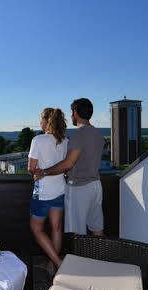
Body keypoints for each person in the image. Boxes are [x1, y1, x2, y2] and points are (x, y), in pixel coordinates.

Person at [35, 98, 105, 235]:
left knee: (76, 233)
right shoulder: (98, 134)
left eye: (72, 112)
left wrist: (44, 172)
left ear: (75, 113)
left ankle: (79, 251)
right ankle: (103, 250)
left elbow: (68, 163)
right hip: (96, 185)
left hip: (79, 188)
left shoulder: (78, 134)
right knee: (97, 229)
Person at [28, 107, 68, 269]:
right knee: (56, 229)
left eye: (41, 119)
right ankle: (52, 265)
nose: (40, 123)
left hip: (43, 192)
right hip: (60, 189)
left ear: (46, 121)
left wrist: (39, 171)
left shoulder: (38, 140)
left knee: (36, 229)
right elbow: (65, 166)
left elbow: (31, 168)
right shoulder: (65, 141)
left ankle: (58, 263)